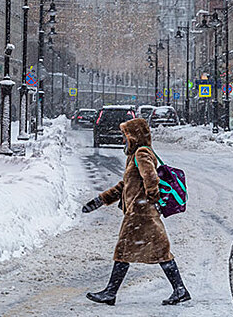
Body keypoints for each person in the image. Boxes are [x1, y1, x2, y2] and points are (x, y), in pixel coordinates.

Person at [82, 118, 191, 306]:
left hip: (140, 212)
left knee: (124, 251)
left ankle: (110, 292)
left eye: (126, 135)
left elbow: (151, 177)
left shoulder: (141, 153)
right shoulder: (134, 156)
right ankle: (179, 289)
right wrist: (100, 200)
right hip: (141, 211)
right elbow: (125, 186)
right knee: (160, 251)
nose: (123, 138)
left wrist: (152, 198)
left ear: (134, 136)